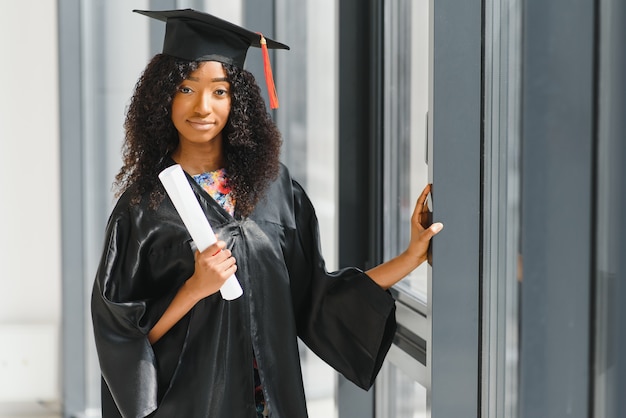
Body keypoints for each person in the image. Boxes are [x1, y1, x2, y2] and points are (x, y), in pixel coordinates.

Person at [91, 8, 443, 418]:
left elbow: (316, 298)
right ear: (161, 97)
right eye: (186, 88)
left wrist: (410, 258)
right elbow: (121, 334)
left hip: (272, 405)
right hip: (192, 404)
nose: (202, 106)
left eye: (219, 91)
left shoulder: (274, 190)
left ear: (237, 101)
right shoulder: (142, 207)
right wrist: (195, 288)